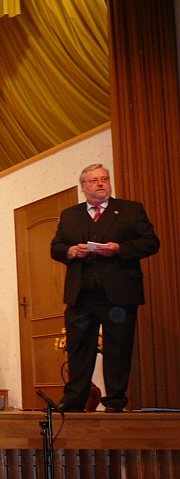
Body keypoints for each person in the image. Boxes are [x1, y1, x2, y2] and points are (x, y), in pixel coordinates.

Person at [50, 164, 160, 413]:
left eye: (104, 179)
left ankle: (115, 401)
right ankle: (74, 399)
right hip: (81, 293)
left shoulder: (131, 210)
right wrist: (71, 251)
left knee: (118, 347)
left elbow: (151, 242)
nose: (100, 184)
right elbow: (56, 247)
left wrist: (119, 249)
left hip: (120, 292)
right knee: (78, 347)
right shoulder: (70, 215)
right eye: (94, 180)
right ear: (83, 187)